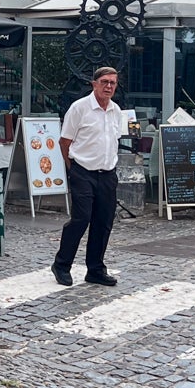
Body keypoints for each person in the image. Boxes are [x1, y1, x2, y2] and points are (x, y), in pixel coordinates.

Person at [51, 66, 127, 287]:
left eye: (113, 82)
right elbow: (65, 141)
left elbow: (113, 141)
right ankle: (62, 264)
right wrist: (72, 168)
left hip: (107, 173)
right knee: (81, 218)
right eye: (104, 82)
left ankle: (95, 269)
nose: (109, 86)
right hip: (83, 171)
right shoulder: (79, 108)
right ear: (94, 84)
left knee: (103, 222)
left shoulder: (116, 110)